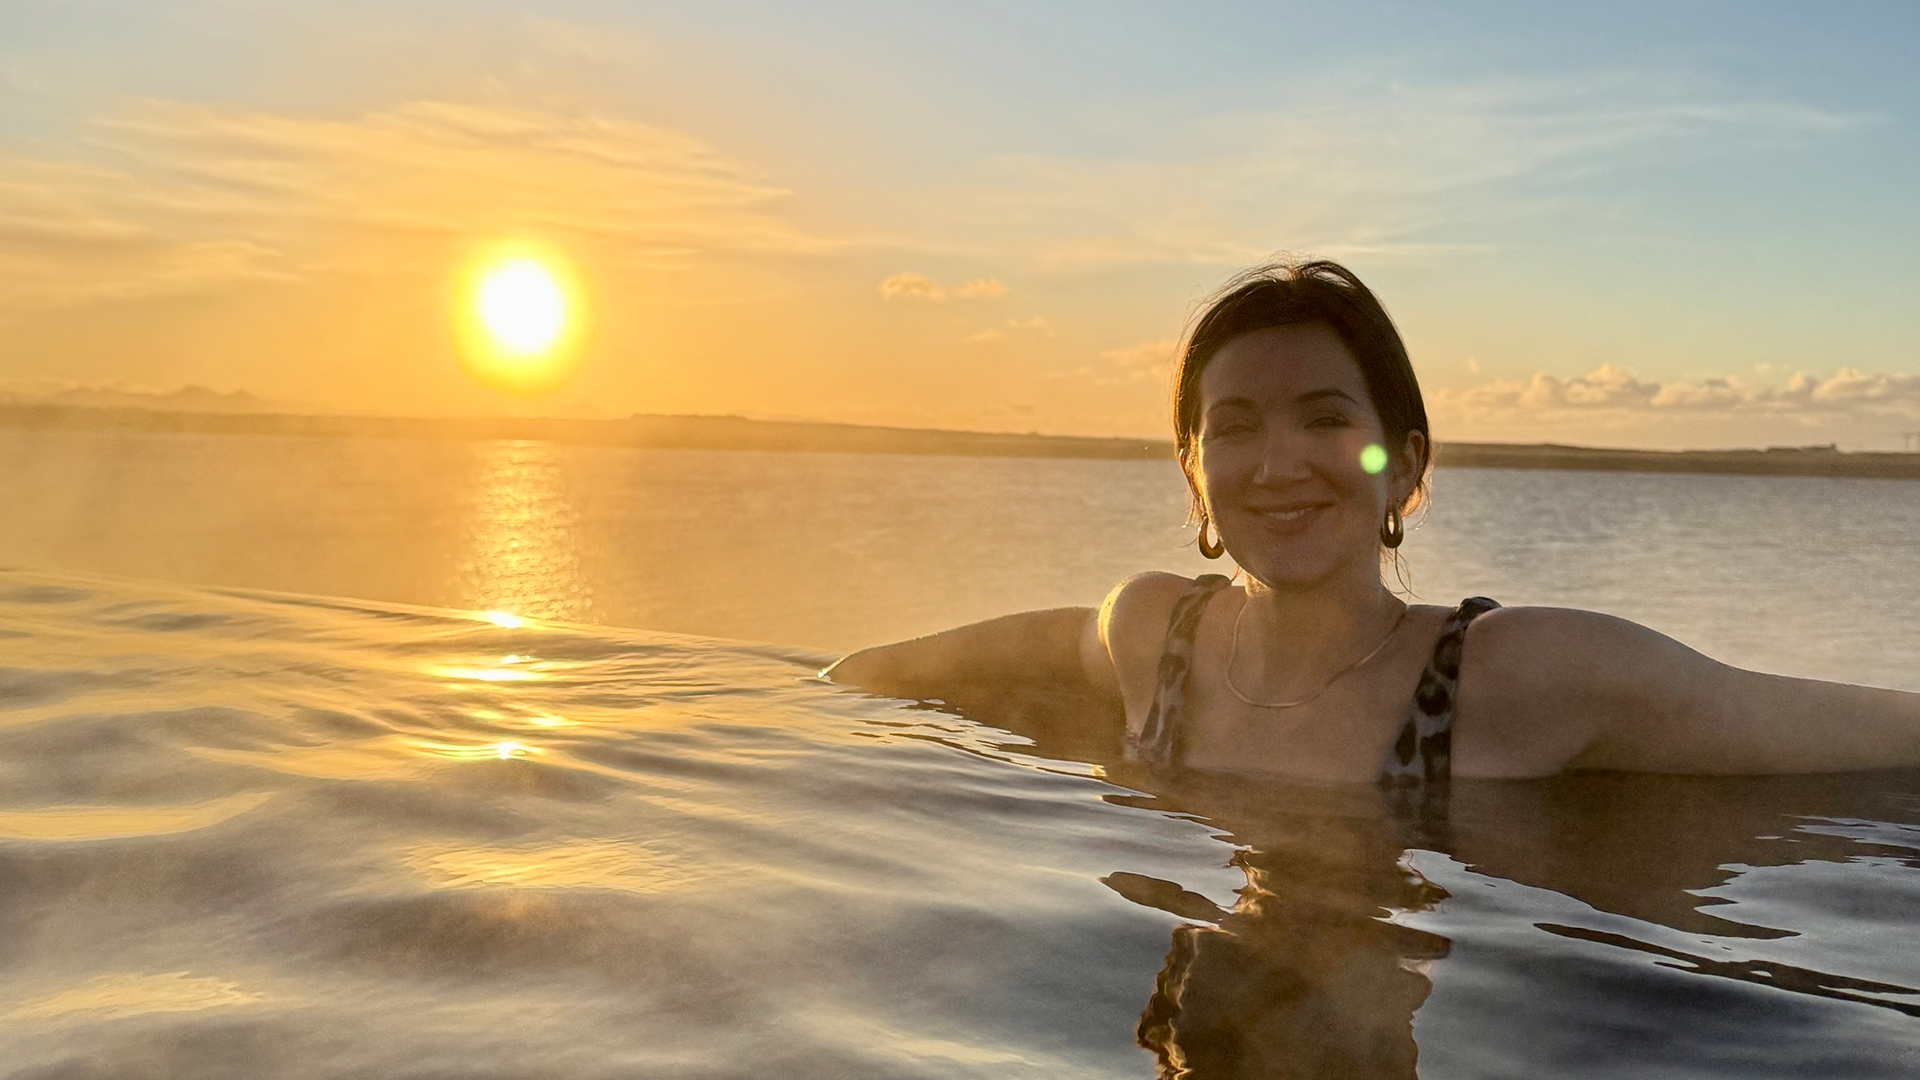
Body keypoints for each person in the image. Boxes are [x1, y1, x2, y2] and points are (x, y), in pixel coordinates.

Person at [826, 259, 1920, 787]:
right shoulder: (1152, 635)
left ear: (1404, 467)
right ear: (1195, 474)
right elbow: (1033, 642)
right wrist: (838, 681)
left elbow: (1827, 722)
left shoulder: (1523, 671)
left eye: (1327, 420)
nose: (1281, 462)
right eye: (1237, 427)